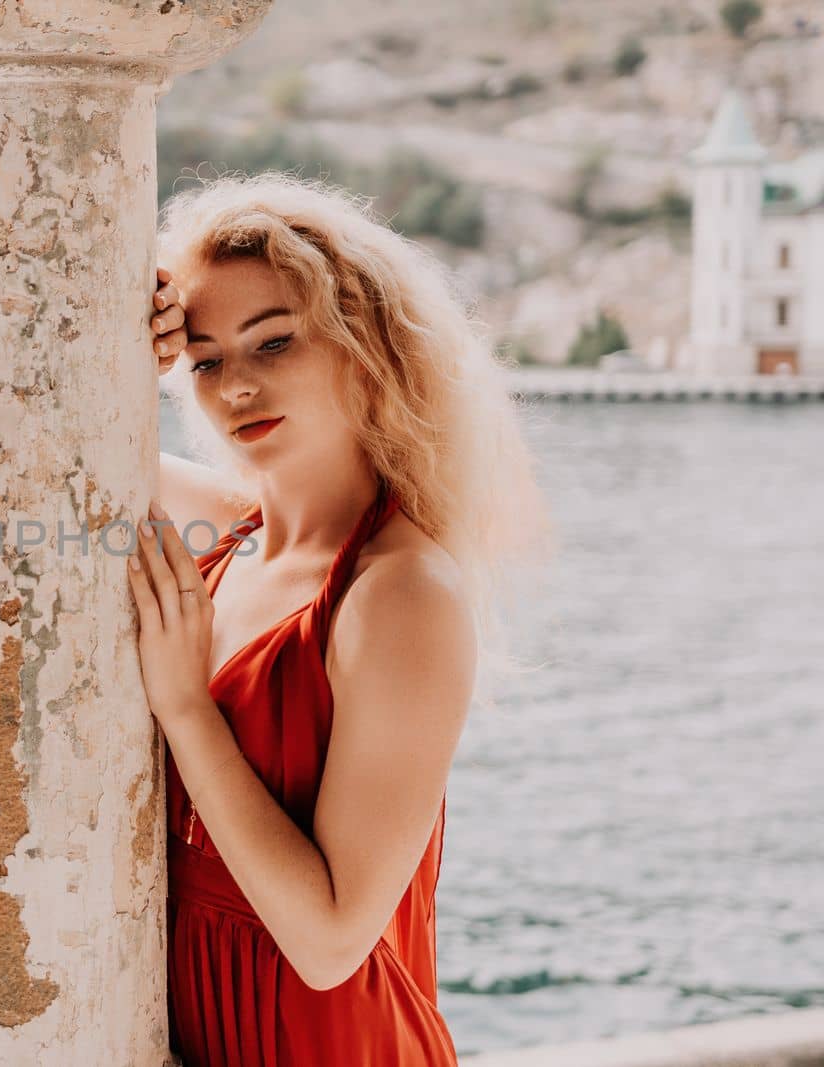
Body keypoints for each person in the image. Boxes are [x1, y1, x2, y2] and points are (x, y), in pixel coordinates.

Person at [129, 171, 550, 1065]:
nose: (235, 386)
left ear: (364, 346)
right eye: (205, 360)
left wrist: (186, 709)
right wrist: (127, 339)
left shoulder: (400, 594)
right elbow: (66, 438)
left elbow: (329, 943)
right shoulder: (232, 537)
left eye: (273, 343)